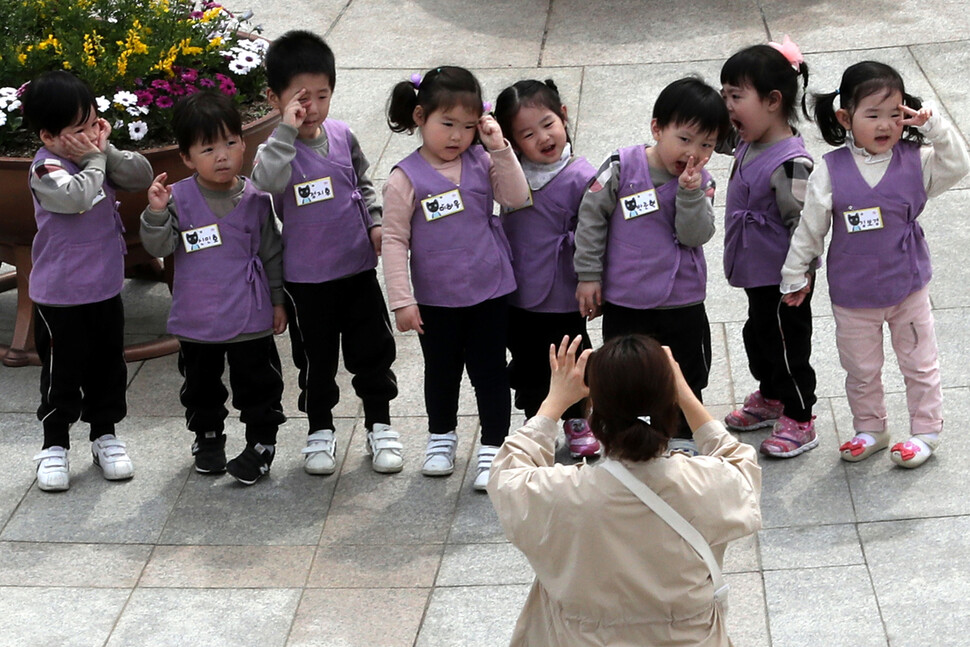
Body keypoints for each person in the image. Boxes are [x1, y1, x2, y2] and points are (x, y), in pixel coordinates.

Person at [488, 335, 762, 646]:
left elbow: (506, 474)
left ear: (594, 416)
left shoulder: (562, 493)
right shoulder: (710, 484)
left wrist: (554, 403)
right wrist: (686, 396)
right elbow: (740, 462)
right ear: (670, 402)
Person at [780, 61, 970, 468]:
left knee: (920, 363)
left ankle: (925, 431)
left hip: (909, 286)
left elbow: (958, 164)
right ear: (845, 117)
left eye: (895, 114)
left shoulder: (916, 160)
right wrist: (795, 274)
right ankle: (871, 427)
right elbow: (810, 228)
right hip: (853, 294)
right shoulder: (830, 170)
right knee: (860, 369)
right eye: (873, 115)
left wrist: (934, 127)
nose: (885, 125)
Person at [252, 30, 401, 476]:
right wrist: (285, 128)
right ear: (275, 98)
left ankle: (380, 423)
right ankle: (320, 429)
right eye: (300, 98)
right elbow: (264, 184)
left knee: (373, 352)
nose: (311, 107)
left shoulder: (342, 136)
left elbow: (363, 184)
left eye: (322, 95)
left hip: (356, 269)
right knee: (315, 361)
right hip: (306, 281)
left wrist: (375, 223)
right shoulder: (275, 151)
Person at [382, 66, 530, 490]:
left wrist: (498, 146)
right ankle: (441, 437)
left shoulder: (482, 160)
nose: (457, 137)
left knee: (490, 372)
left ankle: (494, 446)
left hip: (489, 289)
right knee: (441, 372)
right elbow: (393, 239)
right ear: (419, 117)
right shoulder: (404, 177)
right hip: (435, 298)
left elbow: (517, 198)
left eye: (467, 127)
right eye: (447, 124)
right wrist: (402, 300)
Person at [573, 77, 730, 453]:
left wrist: (691, 194)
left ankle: (682, 437)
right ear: (657, 128)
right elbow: (591, 217)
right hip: (628, 299)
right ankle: (622, 437)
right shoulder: (622, 166)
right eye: (685, 138)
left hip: (682, 300)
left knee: (686, 373)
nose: (694, 152)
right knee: (623, 374)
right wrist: (589, 275)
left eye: (707, 144)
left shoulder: (701, 182)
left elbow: (695, 235)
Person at [140, 90, 287, 485]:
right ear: (187, 158)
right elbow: (158, 246)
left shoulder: (257, 198)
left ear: (243, 143)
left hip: (250, 315)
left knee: (258, 383)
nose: (222, 155)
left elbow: (272, 254)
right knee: (201, 385)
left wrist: (278, 302)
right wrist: (155, 212)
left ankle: (261, 443)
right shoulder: (178, 199)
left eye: (231, 143)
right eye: (208, 149)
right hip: (196, 317)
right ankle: (207, 438)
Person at [22, 71, 153, 492]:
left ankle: (105, 435)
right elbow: (76, 197)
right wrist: (95, 160)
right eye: (78, 130)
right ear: (48, 135)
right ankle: (54, 445)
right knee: (62, 374)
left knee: (107, 367)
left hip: (104, 288)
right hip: (59, 297)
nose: (89, 136)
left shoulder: (97, 157)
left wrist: (107, 149)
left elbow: (139, 176)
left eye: (93, 123)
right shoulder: (46, 169)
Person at [720, 37, 819, 457]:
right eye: (724, 95)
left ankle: (800, 416)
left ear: (773, 101)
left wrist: (803, 274)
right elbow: (711, 135)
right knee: (757, 334)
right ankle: (771, 394)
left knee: (786, 344)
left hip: (784, 280)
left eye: (736, 96)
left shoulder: (790, 162)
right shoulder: (749, 139)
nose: (727, 106)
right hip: (754, 270)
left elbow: (806, 224)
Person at [493, 78, 599, 458]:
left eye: (548, 123)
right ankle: (535, 419)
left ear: (564, 117)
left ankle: (576, 418)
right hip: (517, 288)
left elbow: (595, 232)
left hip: (562, 291)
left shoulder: (583, 175)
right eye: (527, 133)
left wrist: (592, 278)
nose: (543, 137)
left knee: (569, 356)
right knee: (526, 358)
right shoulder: (508, 174)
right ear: (512, 142)